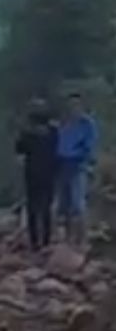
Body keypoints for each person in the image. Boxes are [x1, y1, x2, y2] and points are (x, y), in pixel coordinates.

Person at [15, 97, 59, 250]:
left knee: (33, 208)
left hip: (32, 174)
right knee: (46, 207)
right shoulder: (54, 132)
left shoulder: (26, 133)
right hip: (49, 173)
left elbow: (19, 157)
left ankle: (35, 242)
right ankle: (45, 240)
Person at [56, 92, 99, 247]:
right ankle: (68, 239)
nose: (73, 108)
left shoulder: (87, 124)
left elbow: (90, 147)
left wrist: (87, 163)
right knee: (64, 204)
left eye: (76, 104)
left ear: (81, 105)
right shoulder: (63, 123)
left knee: (78, 204)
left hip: (78, 165)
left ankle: (82, 240)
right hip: (61, 166)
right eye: (70, 104)